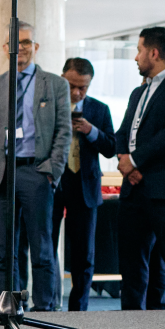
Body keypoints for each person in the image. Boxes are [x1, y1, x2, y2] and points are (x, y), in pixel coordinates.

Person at [0, 23, 70, 311]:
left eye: (27, 42)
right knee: (5, 251)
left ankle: (46, 307)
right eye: (15, 43)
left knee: (41, 249)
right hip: (2, 175)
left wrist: (51, 171)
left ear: (36, 47)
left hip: (36, 172)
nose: (22, 48)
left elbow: (63, 132)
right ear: (6, 48)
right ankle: (10, 307)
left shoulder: (54, 84)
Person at [53, 58, 116, 311]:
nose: (76, 92)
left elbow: (112, 147)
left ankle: (79, 308)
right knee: (46, 247)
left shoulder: (100, 110)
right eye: (71, 86)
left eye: (83, 88)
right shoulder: (51, 107)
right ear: (62, 79)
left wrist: (91, 131)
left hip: (85, 186)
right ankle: (48, 303)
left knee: (84, 254)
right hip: (54, 182)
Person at [116, 27, 165, 311]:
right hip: (132, 189)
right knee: (132, 264)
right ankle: (130, 321)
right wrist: (126, 161)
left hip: (160, 188)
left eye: (139, 50)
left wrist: (135, 162)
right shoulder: (138, 93)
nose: (136, 58)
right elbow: (123, 132)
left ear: (153, 52)